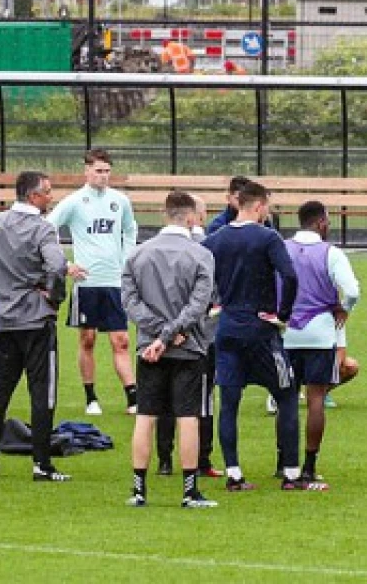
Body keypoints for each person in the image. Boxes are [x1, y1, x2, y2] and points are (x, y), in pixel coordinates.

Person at [0, 171, 73, 483]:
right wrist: (53, 298)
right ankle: (41, 465)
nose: (51, 197)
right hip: (36, 322)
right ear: (34, 196)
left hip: (6, 321)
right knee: (42, 392)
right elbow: (57, 266)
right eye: (48, 192)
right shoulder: (43, 229)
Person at [203, 181, 315, 492]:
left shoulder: (216, 239)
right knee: (287, 394)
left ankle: (234, 474)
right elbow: (290, 276)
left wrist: (212, 302)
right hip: (261, 331)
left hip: (227, 330)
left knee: (229, 403)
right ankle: (292, 475)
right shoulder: (268, 237)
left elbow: (198, 271)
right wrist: (283, 314)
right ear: (258, 206)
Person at [122, 191, 219, 509]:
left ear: (166, 214)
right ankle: (189, 491)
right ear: (191, 218)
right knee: (188, 417)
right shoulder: (201, 255)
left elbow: (130, 302)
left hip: (149, 347)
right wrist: (171, 333)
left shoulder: (137, 255)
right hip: (188, 347)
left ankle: (139, 491)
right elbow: (199, 304)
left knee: (145, 416)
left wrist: (157, 335)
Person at [48, 148, 139, 415]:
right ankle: (91, 398)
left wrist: (127, 259)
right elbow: (47, 227)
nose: (103, 176)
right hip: (86, 283)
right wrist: (64, 264)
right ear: (86, 171)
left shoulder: (120, 201)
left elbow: (130, 230)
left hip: (114, 281)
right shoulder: (75, 201)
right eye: (98, 171)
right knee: (87, 339)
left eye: (107, 171)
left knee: (120, 340)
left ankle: (133, 398)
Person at [282, 201, 362, 486]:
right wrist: (344, 306)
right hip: (319, 331)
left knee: (286, 398)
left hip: (286, 331)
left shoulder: (282, 248)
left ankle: (285, 464)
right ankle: (308, 466)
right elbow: (352, 290)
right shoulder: (332, 253)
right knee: (316, 398)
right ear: (320, 223)